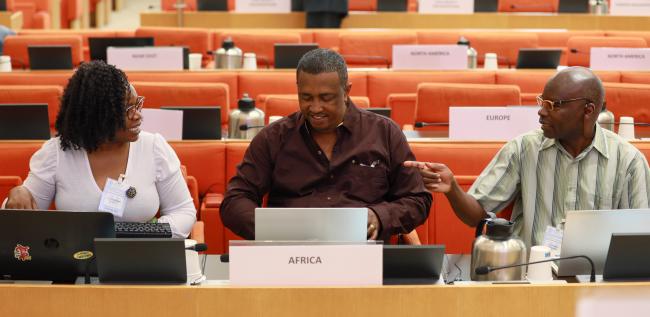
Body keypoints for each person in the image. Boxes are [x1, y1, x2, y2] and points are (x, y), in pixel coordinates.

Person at [405, 66, 650, 247]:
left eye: (554, 105)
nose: (541, 112)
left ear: (588, 111)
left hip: (596, 280)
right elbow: (476, 215)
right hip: (531, 275)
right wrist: (453, 189)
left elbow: (640, 238)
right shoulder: (524, 148)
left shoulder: (628, 161)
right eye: (542, 102)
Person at [221, 48, 431, 241]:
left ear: (346, 91)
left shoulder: (384, 133)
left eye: (326, 98)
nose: (315, 108)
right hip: (289, 254)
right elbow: (235, 201)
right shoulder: (273, 138)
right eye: (306, 97)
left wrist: (379, 216)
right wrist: (274, 228)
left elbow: (417, 199)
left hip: (364, 254)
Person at [5, 61, 196, 238]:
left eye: (137, 105)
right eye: (127, 109)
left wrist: (144, 235)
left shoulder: (153, 147)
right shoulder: (57, 153)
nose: (137, 115)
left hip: (143, 258)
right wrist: (17, 195)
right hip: (76, 264)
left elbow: (183, 212)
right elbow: (21, 219)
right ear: (96, 115)